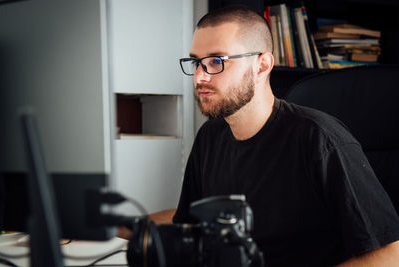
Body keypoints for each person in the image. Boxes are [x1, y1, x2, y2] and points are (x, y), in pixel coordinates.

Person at [119, 5, 399, 266]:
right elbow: (188, 222)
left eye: (216, 61)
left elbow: (389, 253)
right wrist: (114, 226)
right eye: (195, 62)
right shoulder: (211, 136)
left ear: (262, 65)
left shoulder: (320, 139)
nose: (200, 77)